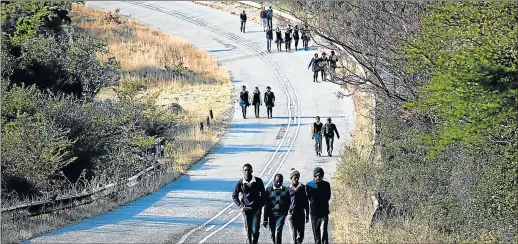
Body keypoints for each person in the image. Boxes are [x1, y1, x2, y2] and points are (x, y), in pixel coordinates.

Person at [232, 164, 266, 244]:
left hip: (256, 209)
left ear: (252, 171)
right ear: (243, 172)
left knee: (255, 230)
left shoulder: (258, 181)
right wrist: (240, 205)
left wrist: (261, 205)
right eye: (245, 170)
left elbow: (264, 195)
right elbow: (234, 195)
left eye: (248, 170)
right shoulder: (240, 183)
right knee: (248, 231)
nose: (247, 172)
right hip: (245, 210)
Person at [306, 167, 331, 244]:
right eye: (318, 176)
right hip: (314, 213)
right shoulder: (309, 185)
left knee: (324, 230)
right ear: (314, 176)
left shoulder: (326, 184)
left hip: (324, 212)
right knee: (316, 233)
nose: (320, 178)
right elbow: (309, 198)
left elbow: (328, 196)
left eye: (321, 176)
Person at [263, 174, 290, 244]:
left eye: (280, 182)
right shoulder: (268, 190)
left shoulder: (286, 190)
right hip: (271, 215)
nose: (278, 183)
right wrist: (265, 219)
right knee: (272, 234)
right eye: (277, 181)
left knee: (278, 231)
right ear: (274, 181)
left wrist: (285, 212)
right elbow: (266, 205)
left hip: (281, 214)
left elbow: (288, 202)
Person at [288, 168, 309, 244]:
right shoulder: (288, 189)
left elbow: (306, 202)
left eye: (298, 177)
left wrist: (307, 214)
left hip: (301, 213)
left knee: (301, 234)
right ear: (291, 178)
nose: (296, 179)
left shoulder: (303, 187)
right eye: (295, 178)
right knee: (294, 234)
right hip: (292, 214)